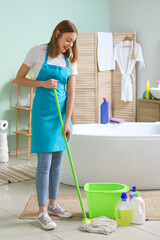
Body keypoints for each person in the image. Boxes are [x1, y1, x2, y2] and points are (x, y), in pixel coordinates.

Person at [16, 20, 78, 230]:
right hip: (43, 113)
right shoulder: (37, 51)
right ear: (57, 34)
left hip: (62, 114)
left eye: (72, 42)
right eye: (67, 40)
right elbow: (20, 79)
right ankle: (41, 211)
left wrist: (68, 121)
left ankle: (53, 204)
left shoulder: (70, 58)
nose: (69, 45)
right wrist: (41, 83)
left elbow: (72, 92)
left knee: (58, 161)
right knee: (45, 164)